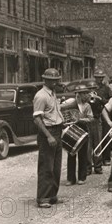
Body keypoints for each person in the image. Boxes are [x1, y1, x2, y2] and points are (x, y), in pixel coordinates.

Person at [33, 68, 65, 208]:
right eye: (52, 80)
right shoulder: (41, 96)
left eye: (56, 80)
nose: (55, 82)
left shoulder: (53, 93)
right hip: (48, 132)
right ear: (45, 80)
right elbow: (37, 119)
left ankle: (52, 195)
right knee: (46, 166)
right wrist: (49, 136)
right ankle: (43, 197)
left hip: (57, 130)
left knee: (56, 167)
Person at [64, 84, 93, 186]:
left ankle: (82, 177)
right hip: (72, 129)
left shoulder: (87, 106)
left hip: (83, 130)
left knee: (83, 155)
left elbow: (91, 118)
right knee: (71, 154)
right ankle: (70, 178)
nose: (86, 95)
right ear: (78, 94)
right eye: (84, 93)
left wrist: (79, 119)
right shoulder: (71, 103)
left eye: (86, 93)